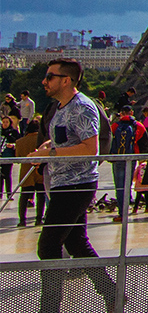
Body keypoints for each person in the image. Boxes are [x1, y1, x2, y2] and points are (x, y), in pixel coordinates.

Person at [28, 58, 118, 313]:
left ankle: (50, 308)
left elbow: (92, 149)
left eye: (50, 77)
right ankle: (111, 293)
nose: (44, 82)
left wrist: (51, 154)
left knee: (48, 245)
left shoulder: (82, 107)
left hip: (75, 185)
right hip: (66, 183)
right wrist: (46, 148)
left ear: (65, 80)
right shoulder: (61, 106)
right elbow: (63, 139)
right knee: (76, 243)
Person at [108, 105, 148, 221]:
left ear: (121, 113)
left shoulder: (115, 126)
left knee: (119, 185)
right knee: (127, 185)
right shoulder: (138, 126)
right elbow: (145, 142)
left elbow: (109, 142)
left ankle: (122, 212)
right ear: (131, 112)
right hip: (131, 158)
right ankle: (127, 207)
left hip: (118, 158)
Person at [0, 114, 19, 199]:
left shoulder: (13, 132)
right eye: (3, 122)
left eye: (6, 122)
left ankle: (9, 193)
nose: (5, 124)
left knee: (7, 175)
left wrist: (13, 144)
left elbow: (18, 142)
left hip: (8, 156)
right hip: (1, 155)